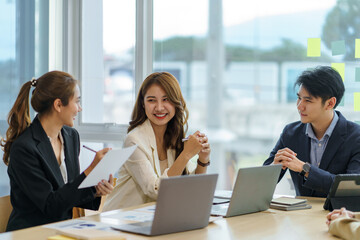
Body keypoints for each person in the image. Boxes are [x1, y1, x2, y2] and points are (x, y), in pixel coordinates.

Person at [1, 71, 114, 231]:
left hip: (62, 230)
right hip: (31, 234)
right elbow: (50, 205)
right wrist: (90, 171)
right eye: (77, 102)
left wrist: (95, 190)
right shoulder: (24, 148)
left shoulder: (71, 136)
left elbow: (69, 193)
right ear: (58, 105)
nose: (79, 108)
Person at [103, 72, 211, 210]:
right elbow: (156, 190)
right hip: (123, 221)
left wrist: (203, 159)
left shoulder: (174, 136)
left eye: (166, 99)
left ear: (176, 102)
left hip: (156, 218)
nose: (159, 107)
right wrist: (186, 154)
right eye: (151, 100)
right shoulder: (134, 140)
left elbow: (193, 187)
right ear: (143, 104)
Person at [263, 66, 360, 197]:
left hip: (339, 215)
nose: (299, 106)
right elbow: (262, 183)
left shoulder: (356, 137)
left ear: (330, 103)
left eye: (308, 100)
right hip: (302, 215)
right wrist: (275, 166)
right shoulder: (290, 133)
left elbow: (351, 189)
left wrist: (305, 169)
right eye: (299, 98)